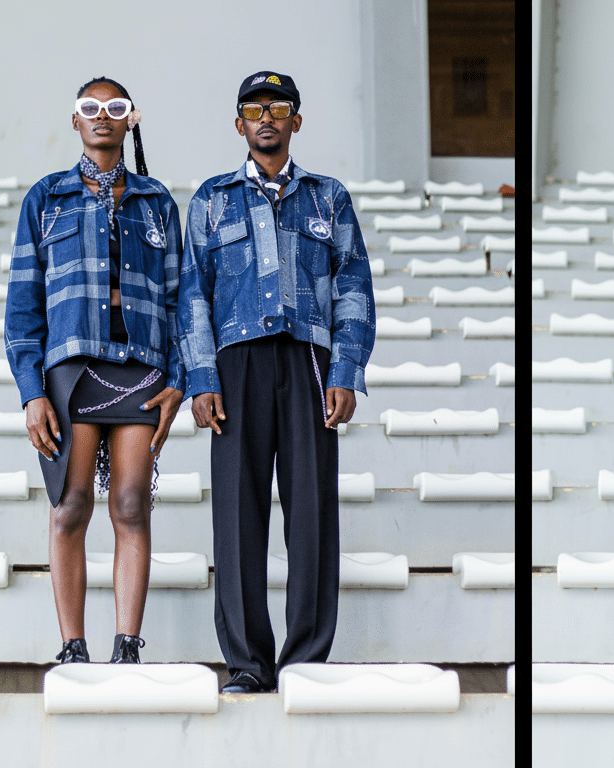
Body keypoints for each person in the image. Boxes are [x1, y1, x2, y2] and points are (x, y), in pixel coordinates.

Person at [178, 71, 376, 694]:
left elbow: (353, 285)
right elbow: (193, 294)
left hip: (309, 360)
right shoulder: (212, 199)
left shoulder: (328, 197)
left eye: (278, 107)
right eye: (254, 109)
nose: (266, 117)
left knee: (311, 512)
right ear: (239, 124)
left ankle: (305, 659)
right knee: (237, 514)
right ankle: (247, 664)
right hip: (235, 365)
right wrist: (201, 376)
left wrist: (345, 369)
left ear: (296, 120)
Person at [5, 77, 184, 666]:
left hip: (140, 366)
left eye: (115, 107)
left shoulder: (156, 201)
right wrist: (32, 392)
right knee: (72, 503)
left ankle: (127, 645)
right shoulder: (46, 198)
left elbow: (180, 299)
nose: (102, 115)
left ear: (131, 119)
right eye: (90, 107)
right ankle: (73, 646)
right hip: (72, 368)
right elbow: (23, 305)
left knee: (131, 503)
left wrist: (179, 378)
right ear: (76, 120)